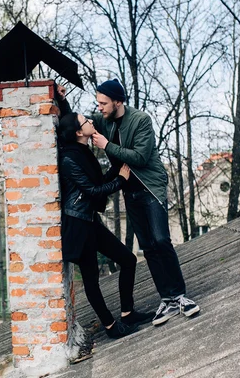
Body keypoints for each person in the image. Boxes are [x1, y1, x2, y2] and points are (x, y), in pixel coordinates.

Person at [91, 78, 200, 326]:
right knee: (148, 247)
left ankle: (180, 296)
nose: (99, 108)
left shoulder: (140, 120)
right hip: (130, 192)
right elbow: (82, 122)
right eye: (98, 103)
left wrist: (107, 145)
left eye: (103, 103)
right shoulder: (104, 120)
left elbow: (140, 157)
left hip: (150, 187)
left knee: (161, 240)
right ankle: (168, 299)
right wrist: (62, 101)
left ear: (118, 101)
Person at [57, 111, 152, 338]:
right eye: (86, 121)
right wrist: (120, 180)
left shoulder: (82, 152)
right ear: (79, 132)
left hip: (90, 221)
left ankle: (127, 313)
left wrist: (118, 166)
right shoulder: (70, 158)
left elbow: (97, 181)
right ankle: (111, 326)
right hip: (79, 225)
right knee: (91, 280)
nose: (91, 121)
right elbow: (91, 191)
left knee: (128, 260)